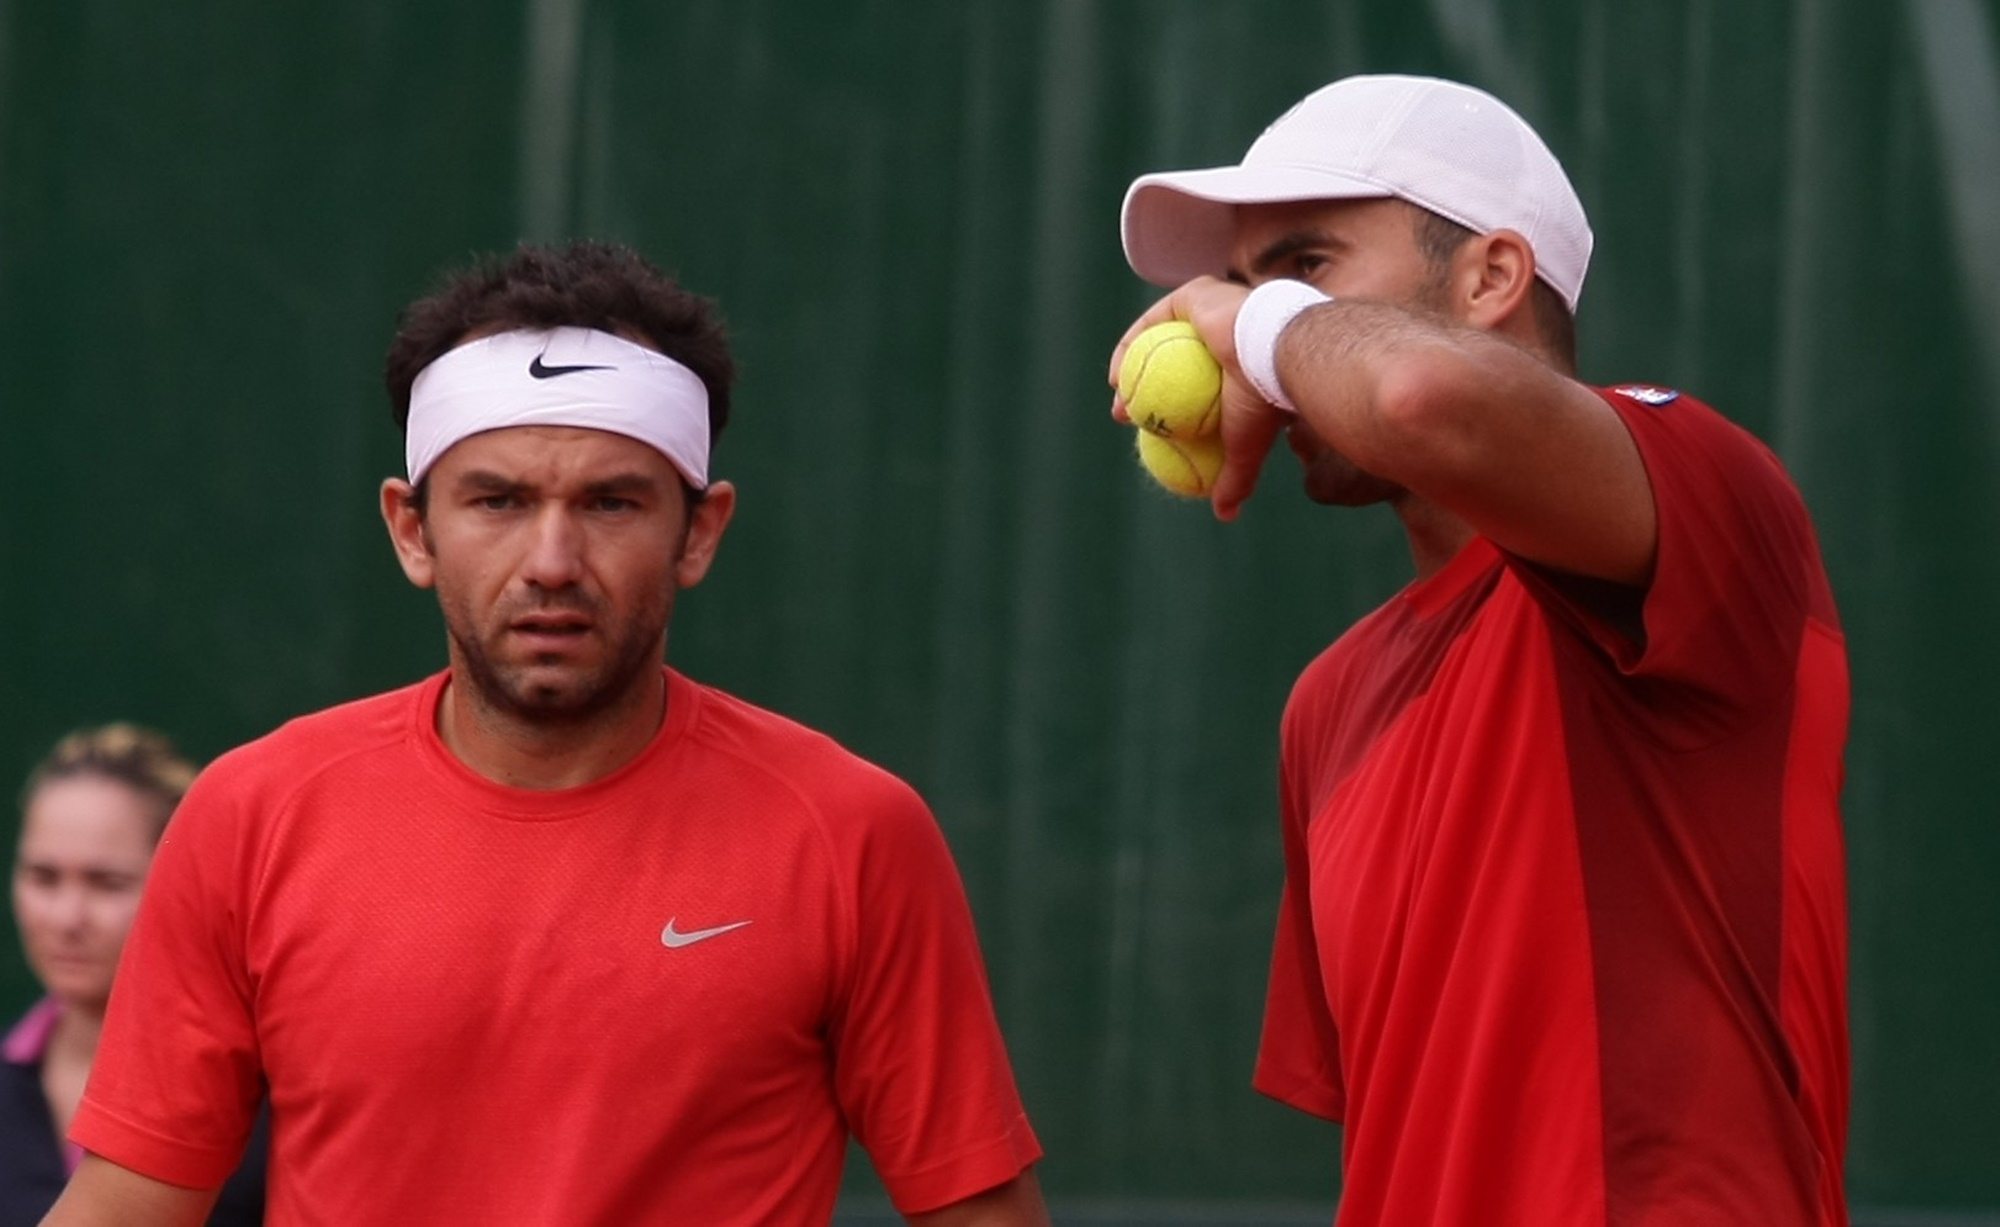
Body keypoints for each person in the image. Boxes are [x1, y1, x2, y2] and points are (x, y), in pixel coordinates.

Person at [44, 242, 1047, 1226]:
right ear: (412, 530)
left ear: (698, 531)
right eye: (499, 501)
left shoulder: (852, 833)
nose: (552, 560)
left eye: (611, 502)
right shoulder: (250, 816)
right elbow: (128, 1206)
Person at [1110, 75, 1849, 1225]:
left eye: (1303, 268)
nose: (1240, 342)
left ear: (1491, 277)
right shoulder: (1325, 702)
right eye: (1242, 290)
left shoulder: (1711, 489)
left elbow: (1417, 395)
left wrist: (1256, 326)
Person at [4, 726, 266, 1225]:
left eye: (107, 883)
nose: (67, 918)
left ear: (179, 885)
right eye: (43, 877)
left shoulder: (270, 1100)